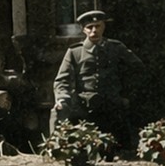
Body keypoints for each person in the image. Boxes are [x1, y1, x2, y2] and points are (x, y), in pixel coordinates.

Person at [52, 10, 144, 156]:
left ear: (103, 27)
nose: (94, 30)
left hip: (113, 107)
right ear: (83, 29)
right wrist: (62, 98)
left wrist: (127, 94)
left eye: (98, 26)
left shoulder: (116, 48)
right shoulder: (75, 52)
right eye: (90, 27)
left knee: (121, 152)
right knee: (86, 150)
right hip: (86, 109)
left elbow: (137, 69)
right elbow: (62, 79)